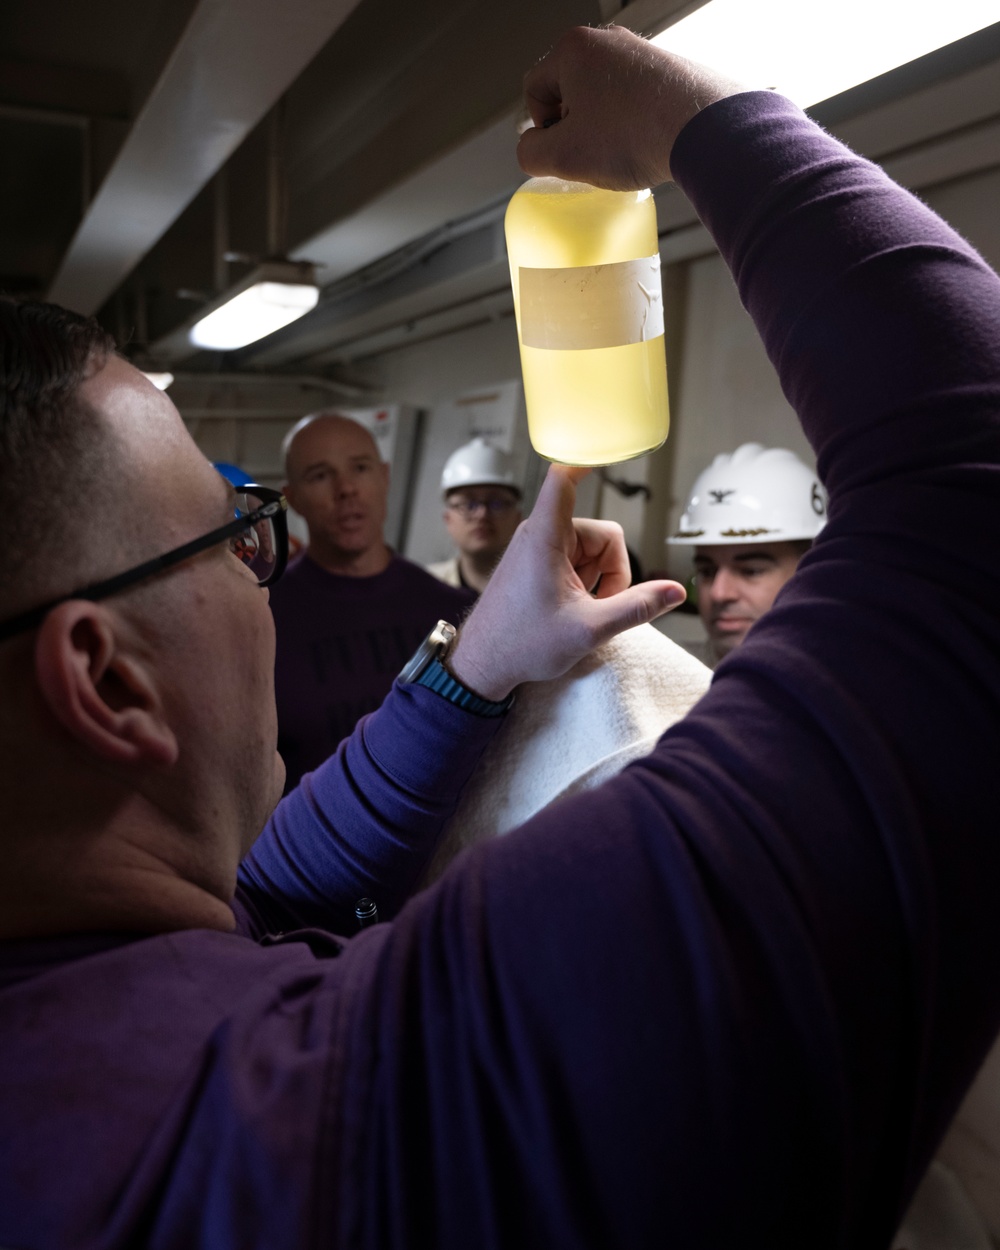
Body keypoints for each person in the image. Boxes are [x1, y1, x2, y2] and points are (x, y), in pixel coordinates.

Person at [3, 22, 1000, 1250]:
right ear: (106, 679)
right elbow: (974, 495)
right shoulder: (360, 1113)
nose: (265, 577)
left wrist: (476, 665)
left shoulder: (67, 999)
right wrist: (708, 119)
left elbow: (266, 889)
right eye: (232, 538)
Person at [271, 411, 475, 788]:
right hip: (316, 843)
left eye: (360, 468)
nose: (346, 489)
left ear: (385, 477)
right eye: (320, 475)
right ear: (292, 499)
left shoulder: (454, 610)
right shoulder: (264, 621)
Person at [668, 442, 827, 663]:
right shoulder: (663, 676)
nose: (719, 593)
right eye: (707, 570)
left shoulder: (853, 687)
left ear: (812, 572)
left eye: (751, 571)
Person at [427, 436, 524, 594]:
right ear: (448, 519)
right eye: (468, 505)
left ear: (518, 519)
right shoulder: (423, 587)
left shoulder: (541, 591)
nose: (482, 514)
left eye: (496, 504)